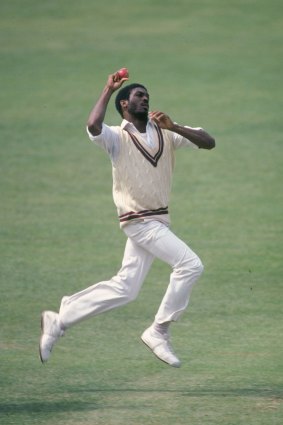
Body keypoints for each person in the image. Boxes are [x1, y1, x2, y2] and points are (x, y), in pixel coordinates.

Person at [39, 70, 215, 368]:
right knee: (190, 264)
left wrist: (176, 127)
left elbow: (209, 142)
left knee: (126, 287)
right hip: (139, 221)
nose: (145, 98)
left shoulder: (165, 131)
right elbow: (93, 125)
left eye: (147, 95)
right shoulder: (116, 138)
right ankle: (158, 331)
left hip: (157, 221)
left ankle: (60, 319)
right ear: (123, 105)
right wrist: (108, 88)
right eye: (138, 95)